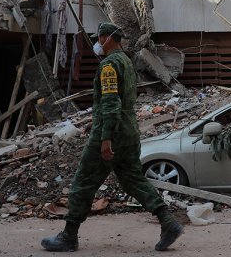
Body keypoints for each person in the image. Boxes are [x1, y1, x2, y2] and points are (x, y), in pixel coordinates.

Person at [41, 22, 183, 252]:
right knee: (133, 180)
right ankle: (168, 222)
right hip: (129, 131)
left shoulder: (109, 66)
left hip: (111, 131)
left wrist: (106, 139)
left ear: (107, 38)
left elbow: (110, 103)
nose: (98, 43)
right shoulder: (126, 63)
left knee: (84, 182)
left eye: (99, 38)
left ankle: (68, 236)